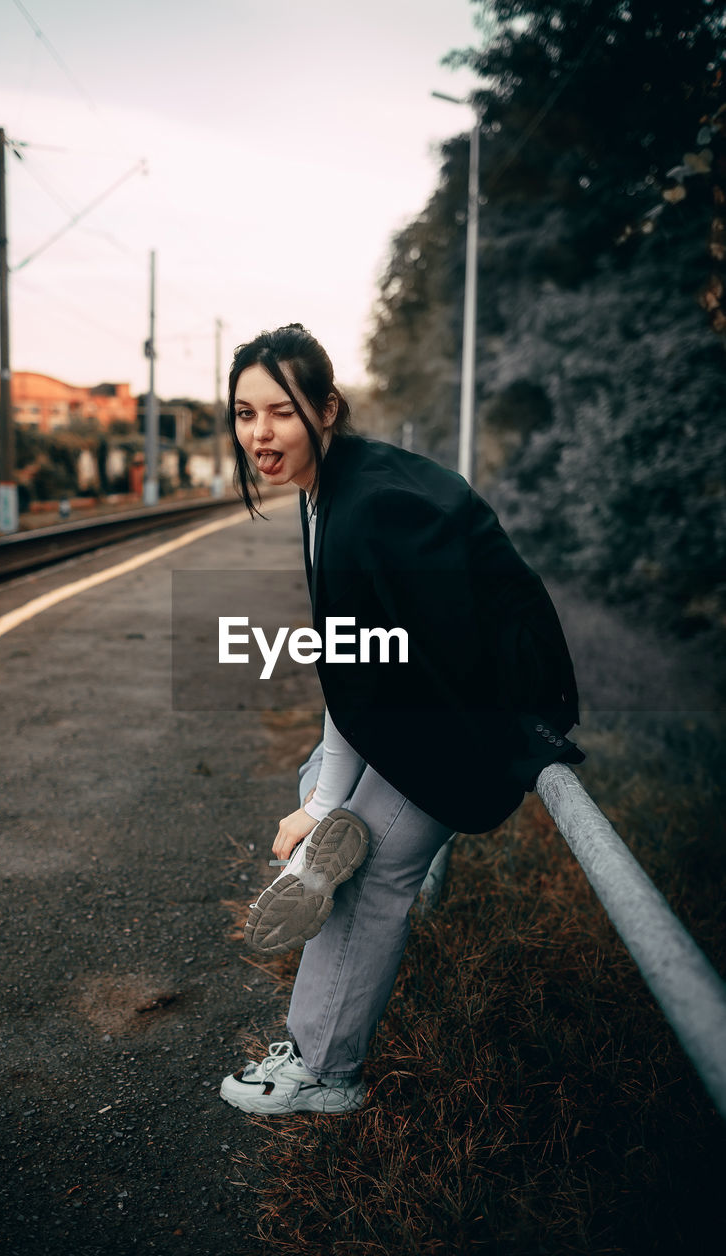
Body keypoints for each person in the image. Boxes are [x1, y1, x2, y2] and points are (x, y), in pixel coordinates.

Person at [218, 323, 584, 1116]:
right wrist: (322, 793)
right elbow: (356, 662)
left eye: (279, 412)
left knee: (367, 871)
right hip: (439, 691)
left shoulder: (365, 510)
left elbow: (376, 671)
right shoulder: (336, 489)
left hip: (484, 711)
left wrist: (321, 812)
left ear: (326, 407)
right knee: (324, 784)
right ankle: (326, 831)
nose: (259, 434)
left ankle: (324, 1071)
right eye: (244, 414)